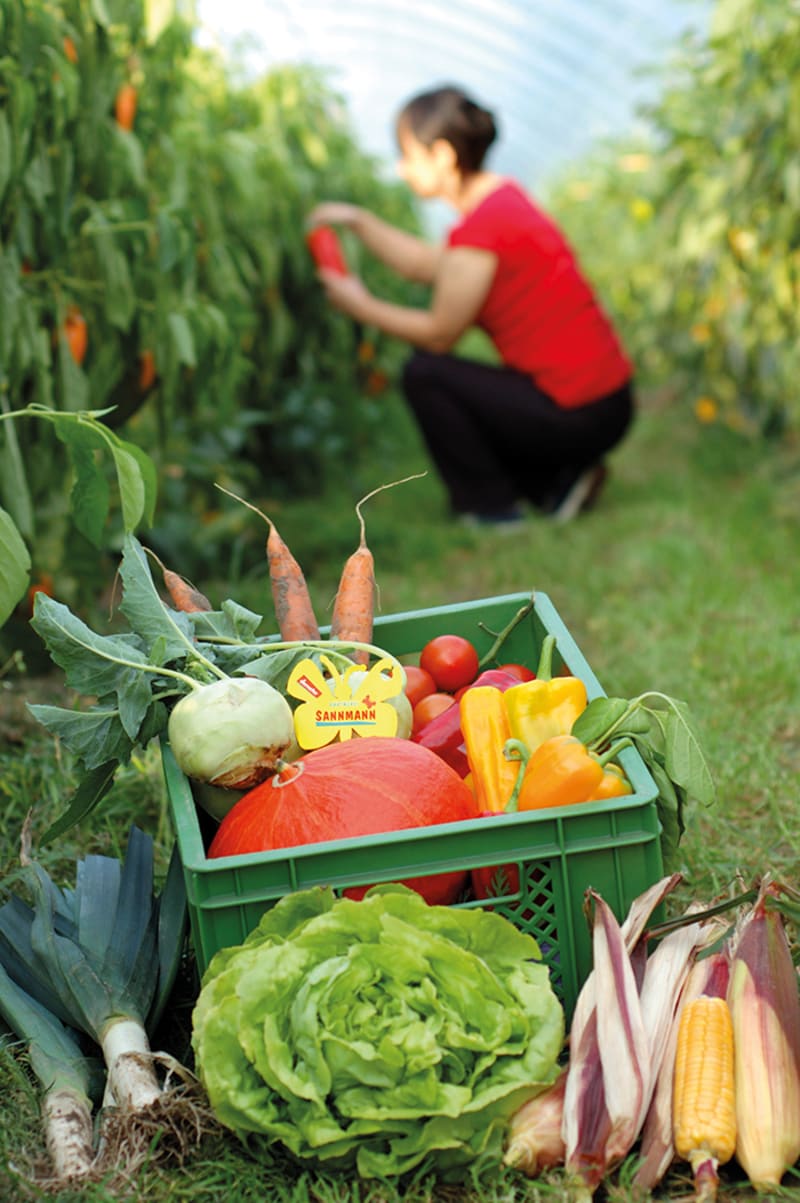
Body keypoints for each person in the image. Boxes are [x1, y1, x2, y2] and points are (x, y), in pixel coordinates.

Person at [307, 84, 634, 526]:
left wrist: (359, 305)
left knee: (428, 374)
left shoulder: (485, 227)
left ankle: (492, 508)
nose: (402, 170)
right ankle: (556, 483)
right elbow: (426, 264)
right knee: (463, 384)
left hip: (580, 410)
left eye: (407, 155)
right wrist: (358, 221)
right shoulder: (502, 203)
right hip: (604, 400)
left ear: (441, 155)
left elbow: (441, 333)